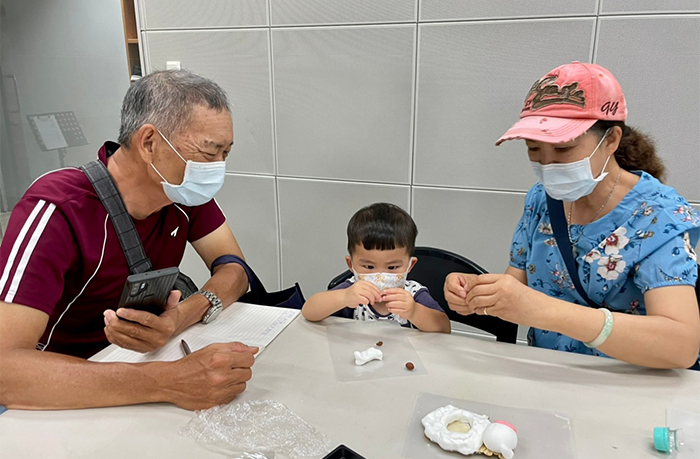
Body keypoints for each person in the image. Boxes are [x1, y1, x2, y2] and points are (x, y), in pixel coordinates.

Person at [0, 70, 258, 410]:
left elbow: (235, 270)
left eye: (226, 153)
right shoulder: (57, 208)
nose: (218, 168)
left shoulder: (181, 193)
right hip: (64, 387)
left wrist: (179, 317)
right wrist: (170, 381)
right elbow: (7, 372)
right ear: (149, 143)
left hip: (140, 363)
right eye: (209, 154)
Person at [445, 62, 700, 369]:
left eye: (563, 150)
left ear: (611, 140)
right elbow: (518, 286)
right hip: (547, 372)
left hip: (624, 384)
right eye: (534, 149)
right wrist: (477, 293)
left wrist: (546, 312)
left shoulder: (658, 217)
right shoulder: (541, 199)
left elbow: (680, 346)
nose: (548, 165)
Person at [302, 203, 450, 333]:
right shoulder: (352, 291)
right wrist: (344, 297)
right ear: (351, 265)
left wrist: (414, 311)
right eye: (369, 266)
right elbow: (308, 312)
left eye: (392, 267)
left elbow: (444, 328)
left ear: (410, 265)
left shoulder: (413, 293)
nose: (381, 275)